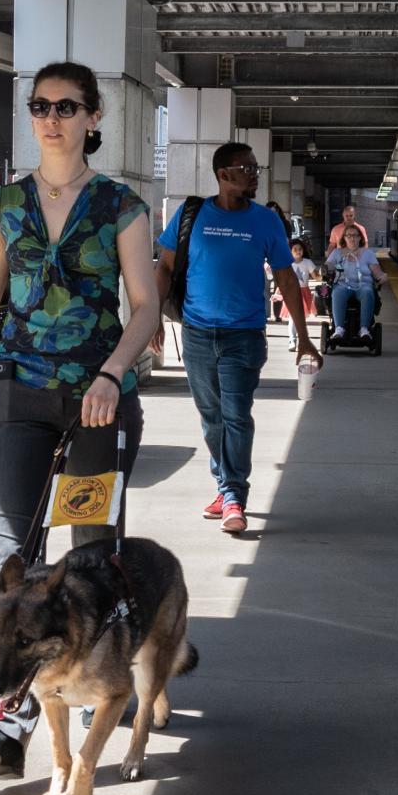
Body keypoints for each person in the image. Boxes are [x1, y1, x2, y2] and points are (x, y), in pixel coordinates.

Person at [0, 61, 160, 776]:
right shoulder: (2, 208)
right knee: (11, 566)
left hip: (98, 405)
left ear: (94, 118)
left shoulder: (120, 207)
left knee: (92, 559)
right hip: (16, 398)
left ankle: (109, 686)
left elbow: (146, 306)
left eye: (67, 106)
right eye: (40, 105)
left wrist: (111, 372)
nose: (52, 118)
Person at [152, 143, 319, 534]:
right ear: (223, 175)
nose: (255, 173)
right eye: (247, 167)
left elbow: (285, 279)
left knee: (236, 416)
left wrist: (306, 338)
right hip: (195, 333)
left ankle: (233, 495)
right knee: (212, 418)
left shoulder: (265, 221)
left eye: (256, 166)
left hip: (243, 335)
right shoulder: (191, 214)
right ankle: (224, 483)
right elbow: (164, 268)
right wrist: (152, 319)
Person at [326, 225, 388, 339]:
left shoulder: (368, 254)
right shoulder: (337, 253)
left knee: (368, 292)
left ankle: (364, 329)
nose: (352, 238)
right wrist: (325, 269)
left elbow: (376, 271)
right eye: (349, 235)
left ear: (360, 238)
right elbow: (328, 266)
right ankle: (339, 329)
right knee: (337, 292)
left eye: (355, 235)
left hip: (363, 285)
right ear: (344, 238)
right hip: (343, 284)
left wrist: (382, 276)